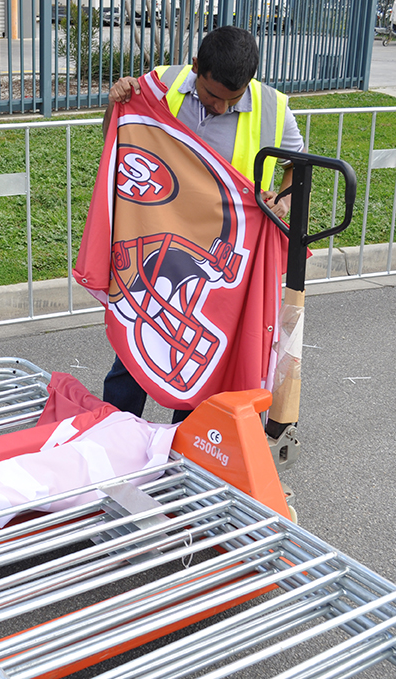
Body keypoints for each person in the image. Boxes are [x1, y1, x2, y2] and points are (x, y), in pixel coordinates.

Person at [99, 25, 305, 423]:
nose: (222, 108)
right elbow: (117, 134)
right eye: (213, 96)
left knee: (199, 352)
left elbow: (299, 167)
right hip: (160, 238)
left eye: (234, 98)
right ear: (196, 68)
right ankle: (116, 426)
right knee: (137, 338)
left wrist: (283, 200)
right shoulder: (160, 85)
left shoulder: (273, 108)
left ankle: (185, 443)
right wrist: (116, 102)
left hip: (221, 256)